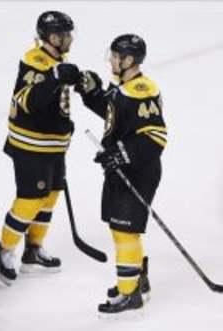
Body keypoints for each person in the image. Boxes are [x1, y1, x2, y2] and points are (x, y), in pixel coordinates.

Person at [75, 34, 167, 315]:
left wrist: (121, 153)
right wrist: (91, 93)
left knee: (125, 230)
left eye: (115, 56)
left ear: (128, 60)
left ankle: (130, 294)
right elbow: (115, 114)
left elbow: (155, 137)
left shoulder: (142, 90)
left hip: (138, 170)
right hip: (125, 168)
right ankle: (137, 281)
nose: (111, 60)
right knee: (121, 228)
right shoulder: (125, 87)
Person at [0, 10, 80, 286]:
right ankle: (2, 252)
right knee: (30, 199)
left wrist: (65, 123)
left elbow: (53, 103)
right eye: (65, 34)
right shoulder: (35, 61)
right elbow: (27, 100)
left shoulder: (56, 59)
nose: (70, 39)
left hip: (51, 145)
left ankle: (33, 250)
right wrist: (54, 76)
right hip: (31, 145)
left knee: (50, 196)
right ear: (52, 37)